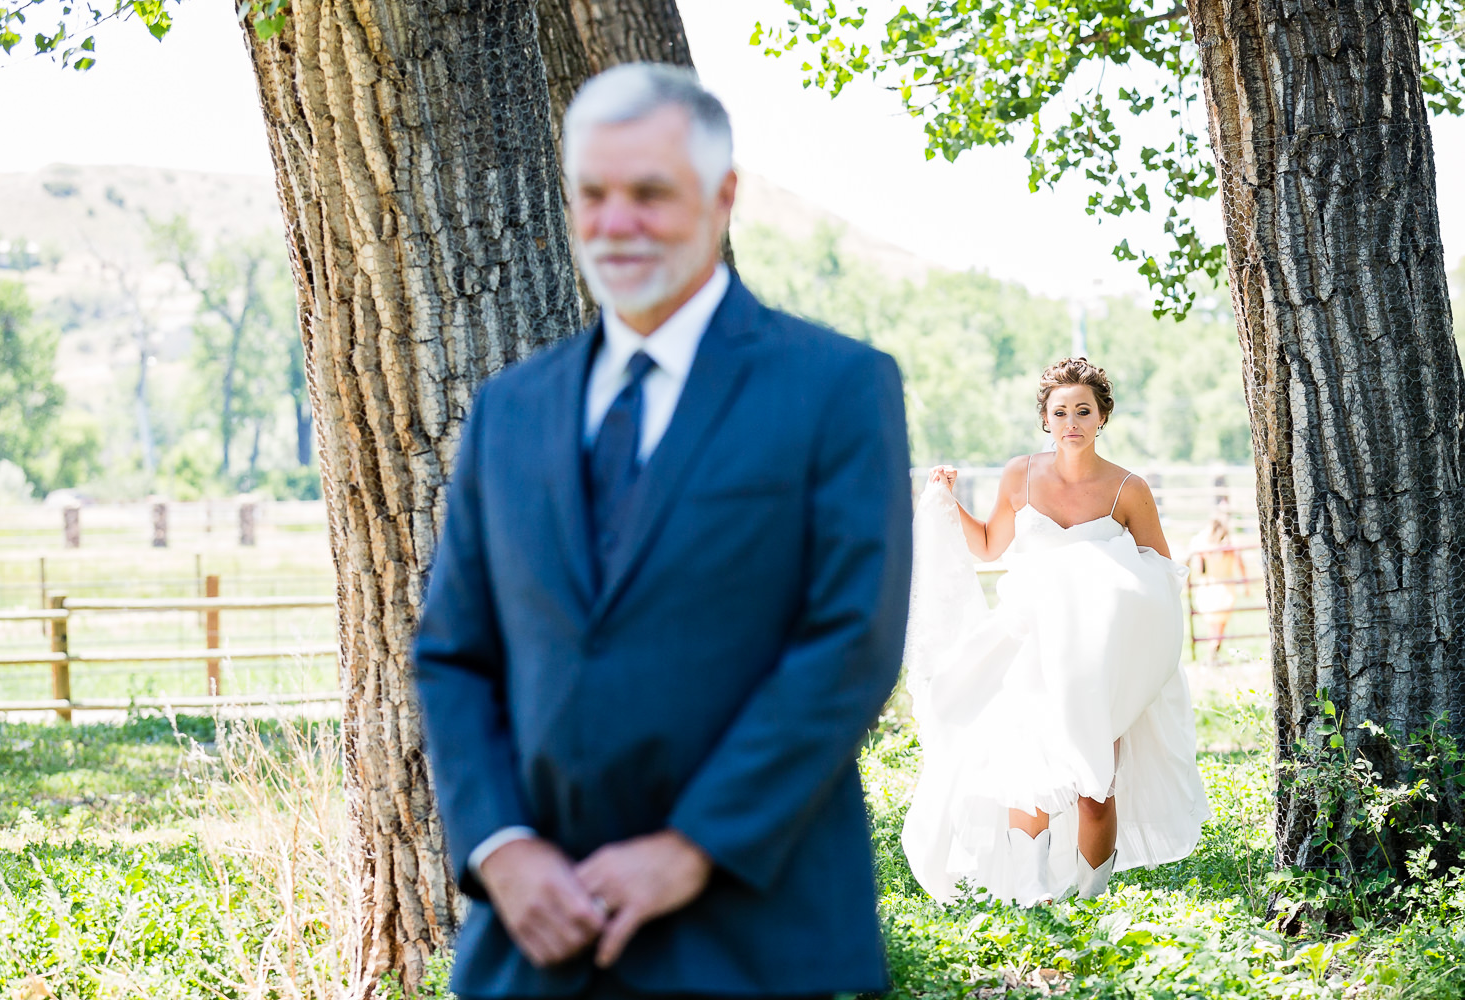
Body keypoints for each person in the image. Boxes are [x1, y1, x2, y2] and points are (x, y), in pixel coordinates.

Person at [412, 63, 913, 1000]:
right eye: (593, 195)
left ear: (723, 197)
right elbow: (453, 654)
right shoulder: (508, 410)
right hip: (534, 943)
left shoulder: (837, 388)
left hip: (746, 932)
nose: (617, 223)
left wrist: (693, 848)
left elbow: (852, 642)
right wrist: (504, 851)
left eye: (650, 193)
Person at [901, 358, 1208, 906]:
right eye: (1060, 411)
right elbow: (992, 545)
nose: (1071, 421)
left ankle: (1090, 897)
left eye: (1083, 411)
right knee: (1028, 763)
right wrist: (947, 503)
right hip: (1031, 642)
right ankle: (1031, 888)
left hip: (1098, 657)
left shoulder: (1127, 490)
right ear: (1045, 418)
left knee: (1096, 786)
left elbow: (1163, 573)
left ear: (1102, 416)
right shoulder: (1020, 474)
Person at [1186, 513, 1249, 658]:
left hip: (1208, 586)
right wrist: (1246, 585)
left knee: (1214, 624)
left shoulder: (1203, 542)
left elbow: (1198, 565)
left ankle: (1213, 652)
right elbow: (1241, 563)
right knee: (1219, 624)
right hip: (1225, 587)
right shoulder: (1230, 542)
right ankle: (1213, 651)